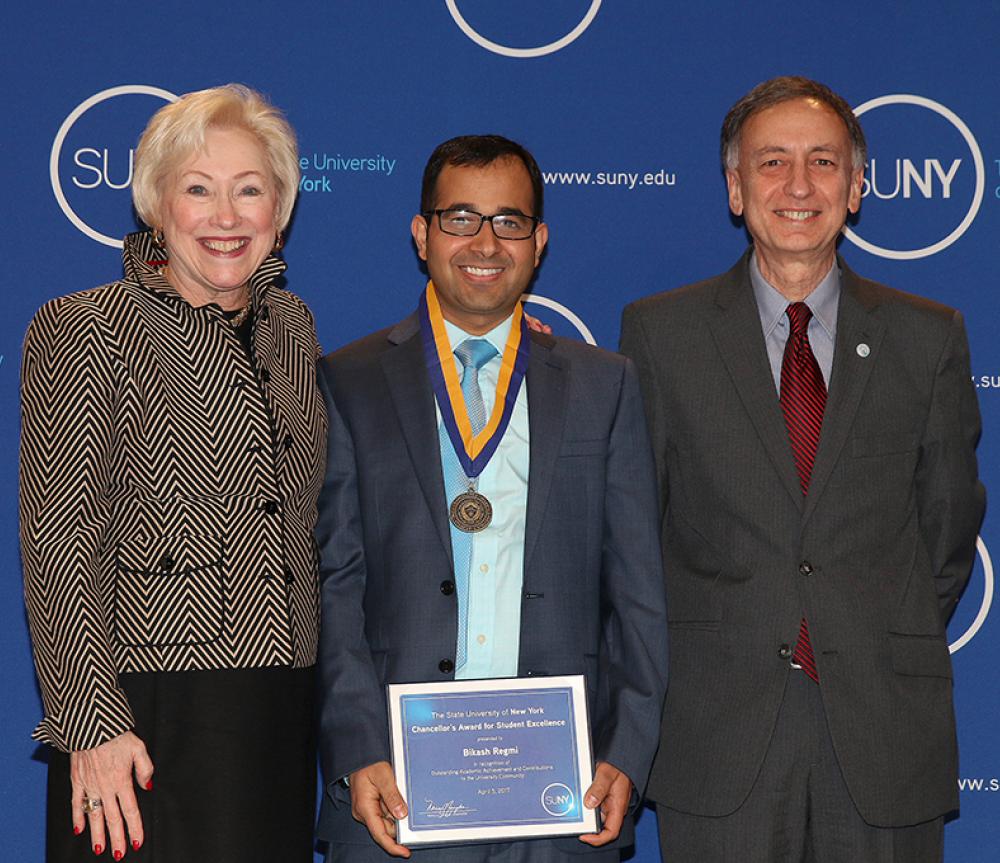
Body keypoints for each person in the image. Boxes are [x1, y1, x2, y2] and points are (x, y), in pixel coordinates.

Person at [620, 75, 985, 862]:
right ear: (733, 186)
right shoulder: (661, 335)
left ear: (857, 188)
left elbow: (948, 533)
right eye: (771, 162)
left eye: (823, 163)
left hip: (884, 732)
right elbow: (636, 536)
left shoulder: (928, 338)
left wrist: (868, 623)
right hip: (719, 737)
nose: (797, 186)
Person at [314, 134, 668, 862]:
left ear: (538, 241)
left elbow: (638, 593)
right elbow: (331, 586)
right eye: (460, 218)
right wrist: (356, 749)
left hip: (561, 793)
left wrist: (628, 750)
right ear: (422, 234)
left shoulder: (606, 385)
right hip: (398, 792)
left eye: (508, 221)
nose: (485, 241)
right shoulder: (346, 381)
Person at [20, 84, 326, 862]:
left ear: (281, 209)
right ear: (157, 204)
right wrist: (91, 726)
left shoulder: (293, 328)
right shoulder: (86, 327)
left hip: (279, 706)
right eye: (199, 189)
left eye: (249, 190)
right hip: (146, 718)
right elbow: (59, 544)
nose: (226, 217)